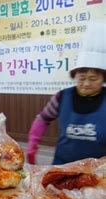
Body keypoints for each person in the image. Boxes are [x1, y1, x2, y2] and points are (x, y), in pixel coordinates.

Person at [27, 22, 106, 165]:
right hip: (63, 166)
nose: (86, 84)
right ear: (75, 76)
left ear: (103, 79)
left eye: (93, 79)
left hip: (98, 171)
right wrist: (32, 145)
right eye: (81, 78)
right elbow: (43, 119)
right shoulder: (62, 97)